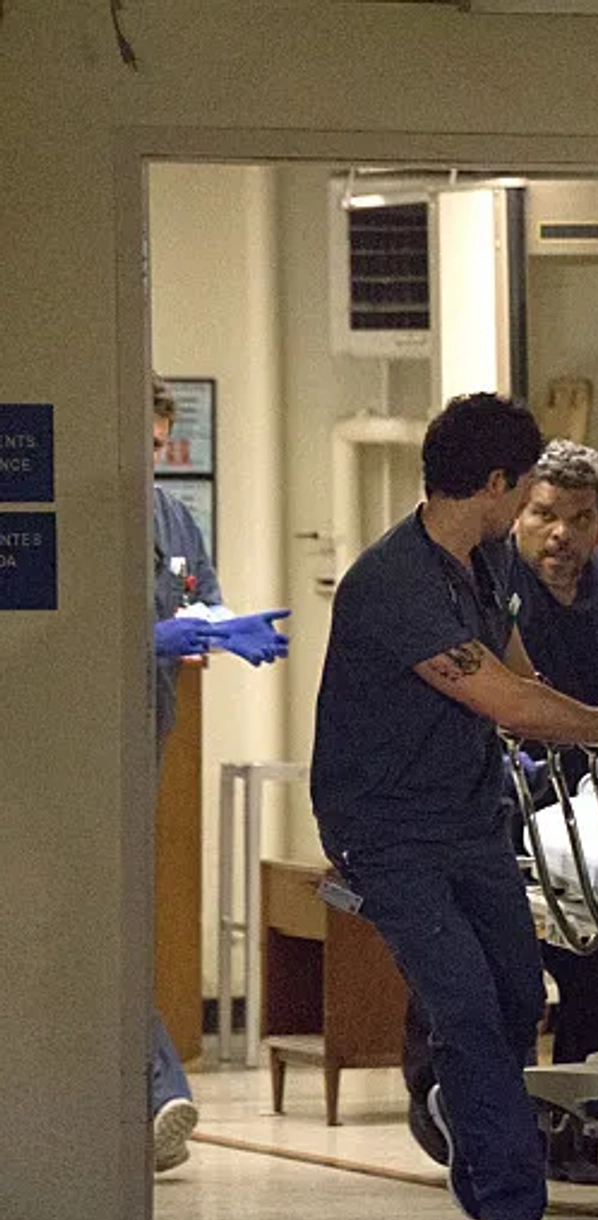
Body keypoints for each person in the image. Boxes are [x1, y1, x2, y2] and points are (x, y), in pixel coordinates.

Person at [309, 393, 598, 1220]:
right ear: (498, 484)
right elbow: (502, 699)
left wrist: (577, 717)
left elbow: (517, 671)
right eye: (527, 491)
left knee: (516, 996)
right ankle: (509, 1209)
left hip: (471, 816)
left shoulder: (487, 559)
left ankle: (460, 1113)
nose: (532, 513)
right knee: (465, 1006)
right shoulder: (394, 582)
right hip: (389, 829)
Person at [396, 439, 598, 1184]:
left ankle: (579, 1132)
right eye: (544, 514)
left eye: (579, 518)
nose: (560, 535)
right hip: (486, 809)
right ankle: (448, 1110)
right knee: (474, 972)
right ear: (518, 510)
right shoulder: (484, 584)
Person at [148, 376, 291, 1174]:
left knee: (128, 925)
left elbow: (201, 598)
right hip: (91, 747)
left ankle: (153, 1090)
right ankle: (157, 1085)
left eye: (164, 433)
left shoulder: (175, 518)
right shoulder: (101, 516)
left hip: (154, 734)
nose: (157, 448)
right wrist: (159, 634)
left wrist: (222, 629)